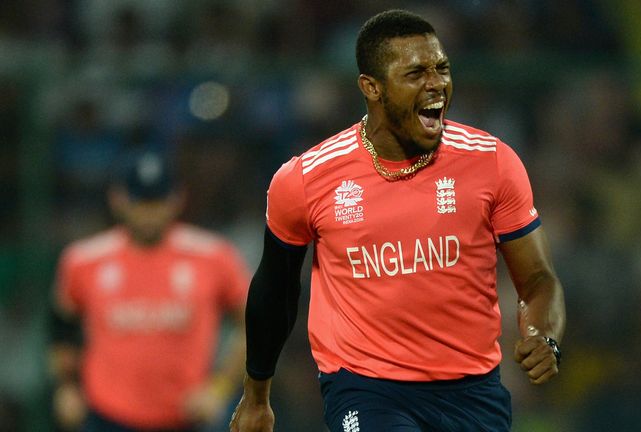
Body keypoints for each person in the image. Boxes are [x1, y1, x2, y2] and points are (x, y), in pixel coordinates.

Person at [230, 9, 566, 432]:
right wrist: (256, 395)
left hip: (473, 392)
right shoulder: (305, 180)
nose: (437, 84)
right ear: (372, 88)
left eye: (441, 68)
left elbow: (537, 279)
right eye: (415, 73)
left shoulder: (492, 162)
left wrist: (542, 332)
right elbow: (275, 291)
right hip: (366, 388)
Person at [49, 150, 252, 432]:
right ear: (118, 200)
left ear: (177, 199)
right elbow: (63, 328)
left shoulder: (214, 257)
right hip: (105, 416)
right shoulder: (83, 261)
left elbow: (254, 324)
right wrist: (66, 387)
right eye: (139, 203)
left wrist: (219, 388)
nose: (148, 214)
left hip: (186, 418)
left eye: (156, 203)